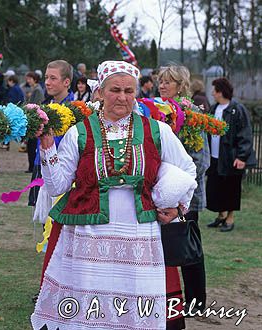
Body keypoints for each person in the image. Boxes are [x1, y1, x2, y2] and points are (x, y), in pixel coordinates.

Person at [31, 60, 196, 330]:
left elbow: (188, 168)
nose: (122, 97)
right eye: (115, 90)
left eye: (129, 91)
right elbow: (56, 186)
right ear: (100, 93)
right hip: (89, 237)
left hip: (140, 238)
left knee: (134, 309)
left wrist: (179, 207)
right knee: (90, 310)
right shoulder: (79, 133)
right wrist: (48, 147)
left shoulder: (157, 131)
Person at [159, 65, 209, 321]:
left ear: (181, 85)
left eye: (169, 81)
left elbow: (199, 160)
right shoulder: (156, 111)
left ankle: (197, 301)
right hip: (162, 193)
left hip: (186, 193)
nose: (163, 85)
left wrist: (181, 192)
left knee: (189, 247)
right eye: (161, 81)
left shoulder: (190, 114)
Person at [206, 77, 255, 232]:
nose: (212, 93)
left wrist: (242, 157)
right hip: (214, 156)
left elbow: (245, 134)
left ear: (221, 92)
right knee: (216, 187)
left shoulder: (237, 109)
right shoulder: (214, 109)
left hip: (230, 157)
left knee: (231, 188)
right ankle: (221, 215)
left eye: (214, 90)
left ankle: (230, 218)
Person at [29, 60, 74, 207]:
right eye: (46, 77)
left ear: (66, 82)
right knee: (42, 216)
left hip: (63, 169)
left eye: (53, 78)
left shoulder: (76, 110)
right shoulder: (45, 106)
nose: (47, 82)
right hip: (41, 164)